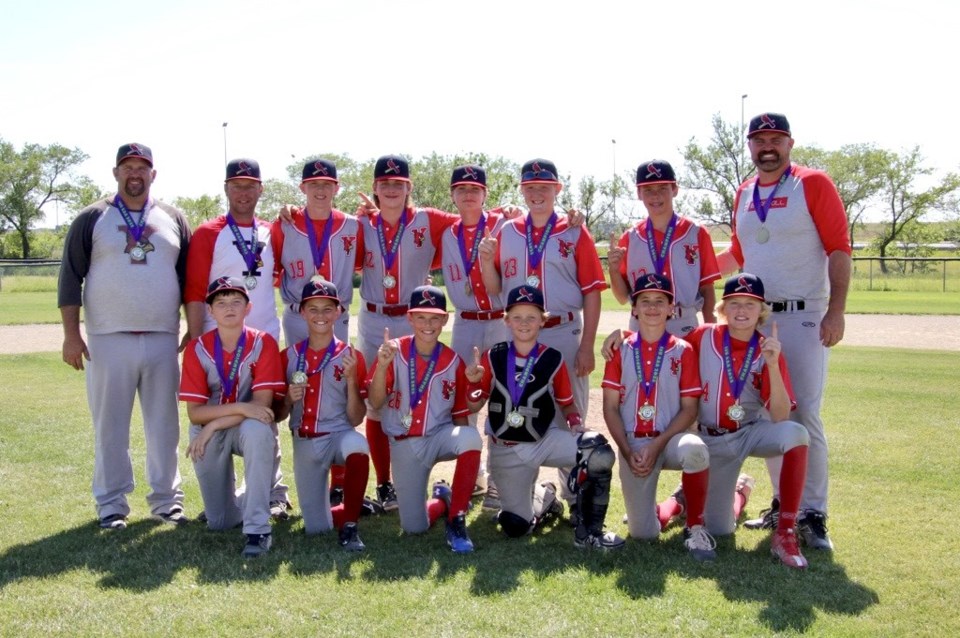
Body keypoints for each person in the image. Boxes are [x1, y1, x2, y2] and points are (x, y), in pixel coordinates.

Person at [717, 112, 851, 551]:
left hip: (804, 313)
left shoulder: (812, 183)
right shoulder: (743, 192)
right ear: (751, 146)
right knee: (770, 413)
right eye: (759, 140)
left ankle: (813, 512)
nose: (766, 146)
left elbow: (839, 248)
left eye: (775, 138)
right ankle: (782, 505)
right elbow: (738, 252)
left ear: (790, 143)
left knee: (804, 413)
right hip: (754, 318)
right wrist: (684, 271)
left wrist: (836, 310)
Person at [58, 142, 191, 530]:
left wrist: (193, 330)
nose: (135, 174)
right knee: (110, 426)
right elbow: (70, 278)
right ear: (116, 173)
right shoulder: (92, 217)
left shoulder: (173, 217)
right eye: (127, 167)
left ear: (154, 174)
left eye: (142, 167)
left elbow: (189, 281)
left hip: (163, 335)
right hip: (107, 336)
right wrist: (71, 335)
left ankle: (167, 502)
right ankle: (111, 504)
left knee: (165, 425)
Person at [479, 158, 607, 514]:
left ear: (557, 190)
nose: (537, 193)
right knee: (516, 405)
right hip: (520, 335)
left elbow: (593, 291)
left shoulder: (573, 230)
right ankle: (521, 492)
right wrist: (486, 261)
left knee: (572, 414)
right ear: (522, 190)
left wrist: (586, 346)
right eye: (530, 187)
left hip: (564, 330)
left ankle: (573, 495)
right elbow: (495, 291)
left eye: (544, 187)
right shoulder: (507, 231)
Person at [466, 285, 624, 550]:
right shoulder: (493, 355)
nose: (524, 323)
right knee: (516, 527)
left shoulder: (552, 358)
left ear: (543, 320)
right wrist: (472, 385)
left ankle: (590, 533)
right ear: (506, 320)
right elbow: (474, 405)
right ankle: (546, 496)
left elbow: (566, 403)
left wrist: (575, 423)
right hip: (508, 450)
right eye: (517, 317)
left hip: (543, 439)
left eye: (531, 317)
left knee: (597, 451)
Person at [184, 159, 291, 521]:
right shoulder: (208, 232)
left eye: (250, 186)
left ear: (261, 189)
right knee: (215, 413)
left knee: (265, 416)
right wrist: (199, 340)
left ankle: (273, 492)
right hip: (219, 343)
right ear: (226, 189)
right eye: (237, 185)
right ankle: (223, 499)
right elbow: (197, 290)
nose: (244, 193)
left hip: (262, 340)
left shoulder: (270, 231)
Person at [354, 155, 461, 512]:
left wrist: (507, 216)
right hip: (372, 317)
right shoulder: (361, 223)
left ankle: (413, 477)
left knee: (416, 393)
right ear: (375, 188)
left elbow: (473, 220)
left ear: (409, 187)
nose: (391, 188)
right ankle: (385, 484)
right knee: (375, 402)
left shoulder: (428, 219)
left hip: (415, 320)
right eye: (384, 183)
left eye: (398, 183)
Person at [686, 273, 811, 569]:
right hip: (708, 439)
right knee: (720, 529)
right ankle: (735, 492)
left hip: (747, 432)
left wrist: (772, 365)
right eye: (734, 304)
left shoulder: (768, 348)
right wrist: (624, 336)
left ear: (761, 311)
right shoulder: (703, 335)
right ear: (723, 309)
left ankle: (785, 531)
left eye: (750, 305)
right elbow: (666, 347)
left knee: (797, 434)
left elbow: (780, 416)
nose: (742, 311)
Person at [601, 274, 715, 560]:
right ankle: (676, 503)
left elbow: (690, 409)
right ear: (634, 309)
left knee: (696, 449)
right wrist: (627, 452)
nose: (652, 307)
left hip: (670, 440)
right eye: (645, 301)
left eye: (659, 301)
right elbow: (610, 407)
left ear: (671, 309)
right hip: (634, 446)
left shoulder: (683, 350)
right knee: (643, 534)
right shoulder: (620, 349)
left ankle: (695, 528)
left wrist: (658, 444)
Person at [365, 285, 482, 553]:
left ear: (445, 320)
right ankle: (443, 502)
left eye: (434, 318)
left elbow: (462, 414)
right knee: (414, 528)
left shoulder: (453, 361)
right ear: (409, 318)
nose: (427, 324)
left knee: (470, 438)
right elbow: (375, 402)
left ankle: (457, 519)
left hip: (438, 437)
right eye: (421, 317)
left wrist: (466, 452)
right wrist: (382, 367)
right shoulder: (392, 351)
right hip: (404, 444)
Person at [179, 277, 287, 557]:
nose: (229, 308)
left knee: (259, 429)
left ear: (248, 308)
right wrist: (238, 409)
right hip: (210, 432)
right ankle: (244, 498)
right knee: (220, 522)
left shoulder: (263, 343)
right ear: (210, 311)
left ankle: (258, 529)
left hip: (239, 428)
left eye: (236, 301)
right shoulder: (197, 348)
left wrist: (214, 421)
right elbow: (194, 414)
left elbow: (261, 409)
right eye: (221, 302)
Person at [273, 278, 370, 551]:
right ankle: (350, 503)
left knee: (358, 447)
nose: (320, 316)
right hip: (305, 441)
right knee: (316, 528)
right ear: (301, 312)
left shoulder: (352, 356)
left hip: (339, 434)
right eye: (312, 309)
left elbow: (356, 419)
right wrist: (289, 401)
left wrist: (351, 381)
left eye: (327, 309)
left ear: (338, 312)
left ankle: (350, 524)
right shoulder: (288, 356)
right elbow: (278, 415)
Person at [606, 160, 720, 336]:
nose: (655, 196)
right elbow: (622, 298)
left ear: (674, 190)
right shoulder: (629, 238)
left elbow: (707, 288)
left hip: (684, 323)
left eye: (662, 188)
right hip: (642, 325)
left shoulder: (695, 232)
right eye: (648, 190)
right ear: (639, 193)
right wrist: (613, 270)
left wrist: (712, 331)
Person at [272, 159, 361, 345]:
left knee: (337, 371)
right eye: (313, 184)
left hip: (336, 314)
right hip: (298, 314)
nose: (320, 190)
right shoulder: (286, 225)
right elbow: (273, 271)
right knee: (297, 371)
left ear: (336, 188)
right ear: (302, 187)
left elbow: (366, 264)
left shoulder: (353, 225)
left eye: (327, 184)